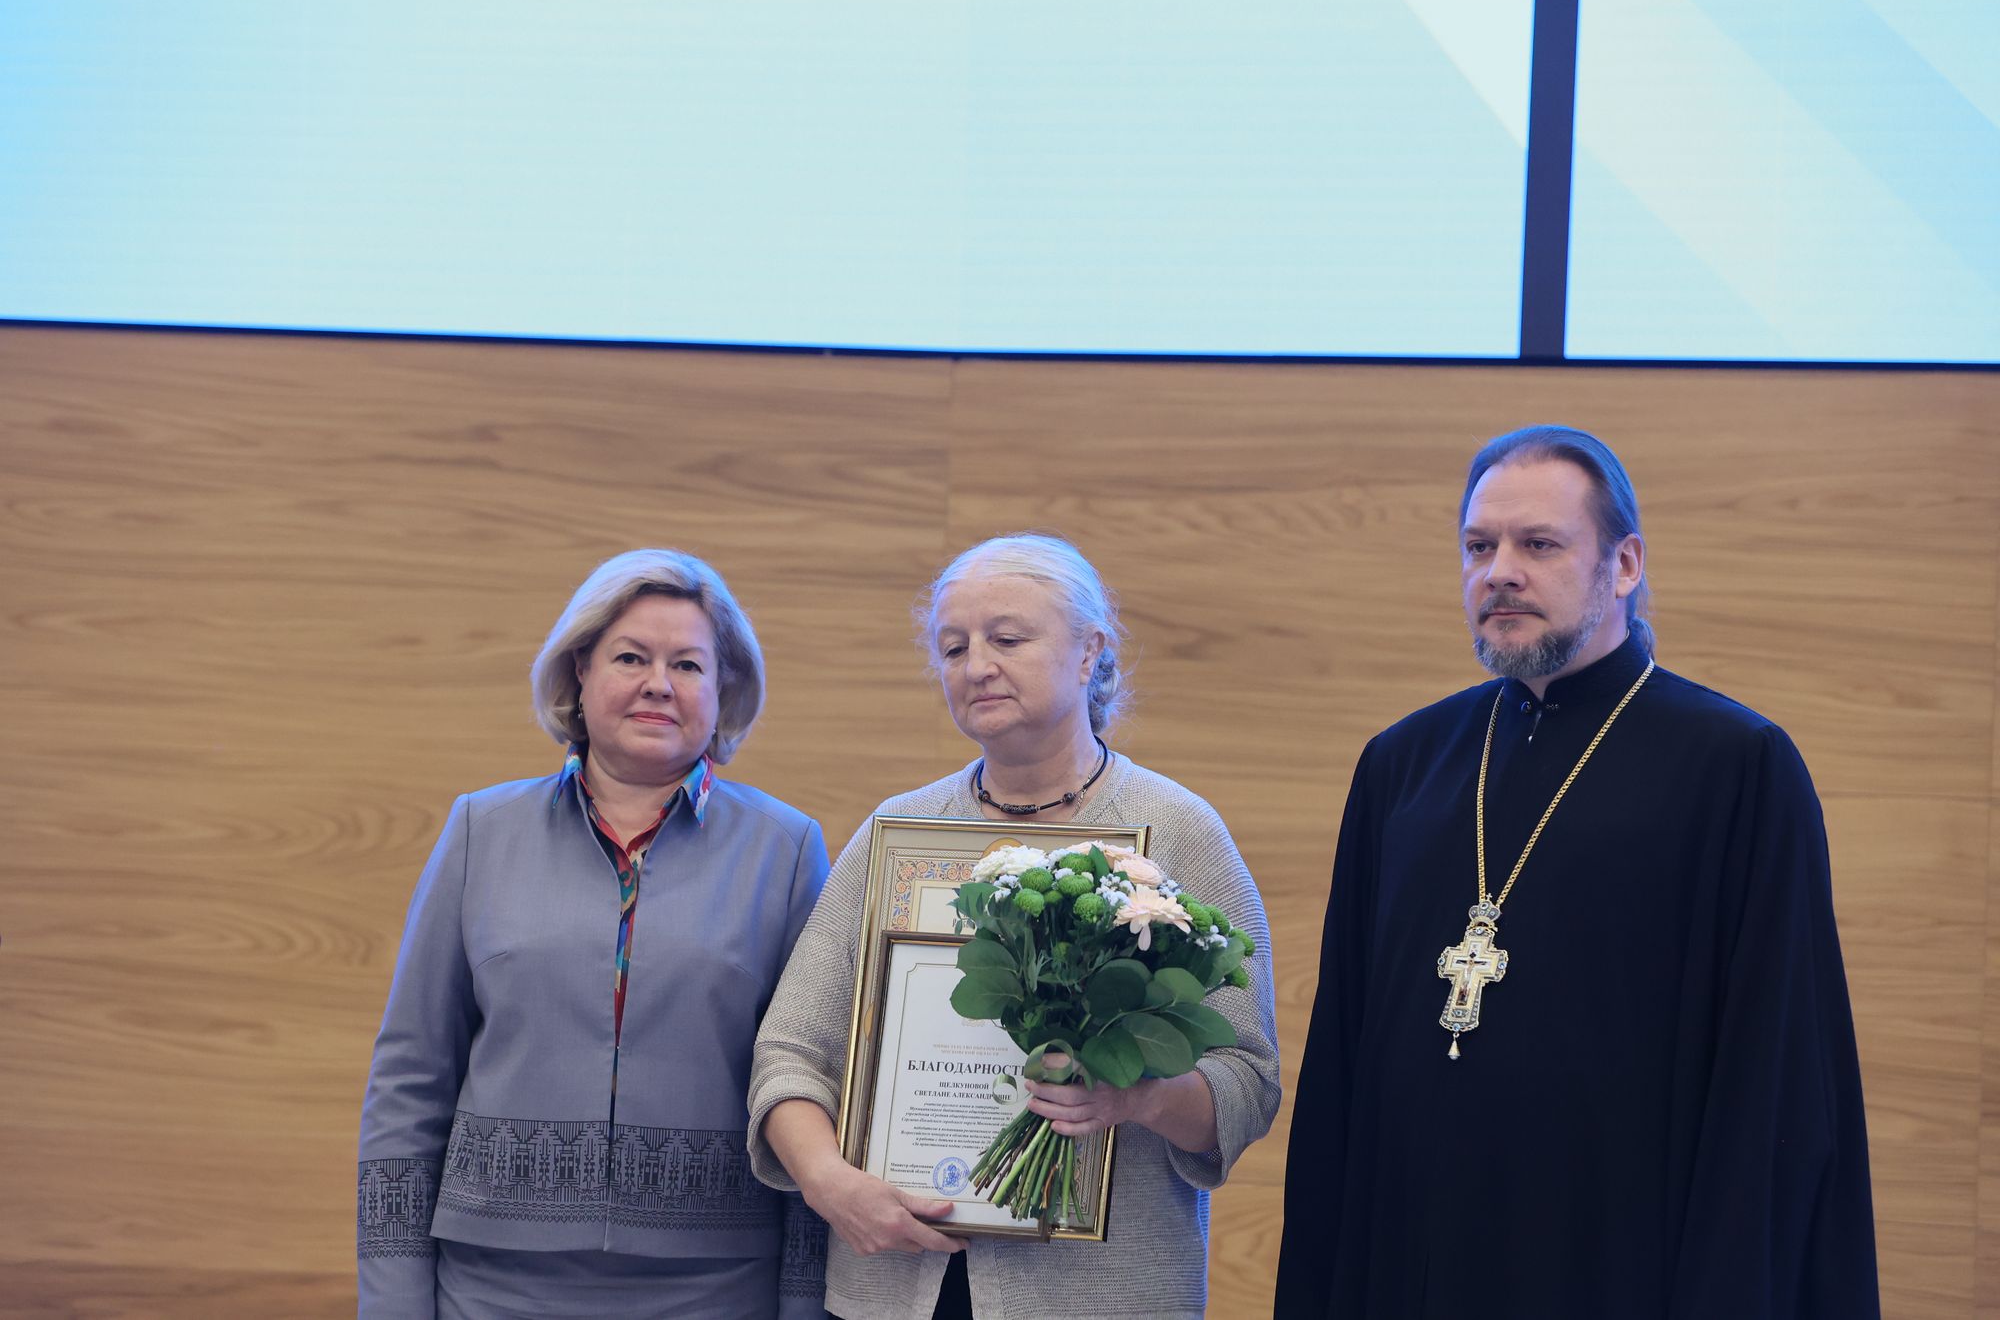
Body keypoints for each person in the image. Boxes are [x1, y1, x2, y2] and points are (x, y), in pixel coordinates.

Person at [1276, 426, 1878, 1318]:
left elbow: (1775, 1082)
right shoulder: (1402, 766)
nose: (1500, 572)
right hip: (1413, 1260)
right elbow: (1342, 1067)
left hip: (1619, 1261)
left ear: (1623, 564)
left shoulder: (1735, 766)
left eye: (1539, 544)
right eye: (1478, 546)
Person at [747, 534, 1280, 1320]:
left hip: (1104, 1297)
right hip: (893, 1286)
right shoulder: (898, 833)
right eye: (953, 646)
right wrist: (832, 1186)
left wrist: (1137, 1096)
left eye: (1006, 638)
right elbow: (790, 1055)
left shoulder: (1175, 830)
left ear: (1090, 651)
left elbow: (1246, 1078)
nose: (976, 666)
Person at [356, 549, 832, 1320]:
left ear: (723, 687)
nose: (658, 683)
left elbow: (813, 1085)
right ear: (579, 669)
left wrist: (805, 1303)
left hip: (715, 1293)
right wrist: (392, 1301)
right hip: (490, 1290)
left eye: (688, 664)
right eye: (631, 657)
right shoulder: (480, 829)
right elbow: (410, 1080)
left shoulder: (786, 850)